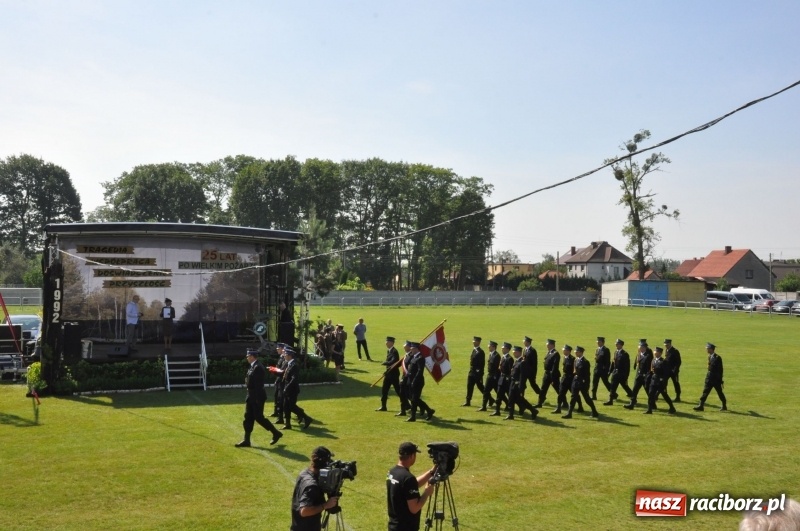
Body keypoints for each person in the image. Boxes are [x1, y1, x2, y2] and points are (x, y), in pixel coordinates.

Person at [235, 348, 283, 447]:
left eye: (248, 356)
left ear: (252, 357)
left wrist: (257, 399)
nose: (247, 358)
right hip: (250, 396)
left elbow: (258, 385)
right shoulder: (252, 366)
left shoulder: (258, 367)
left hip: (257, 397)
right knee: (248, 417)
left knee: (259, 418)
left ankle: (276, 433)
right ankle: (246, 440)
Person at [386, 441, 435, 531]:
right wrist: (426, 493)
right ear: (412, 456)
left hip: (393, 526)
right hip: (406, 528)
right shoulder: (408, 478)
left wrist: (431, 472)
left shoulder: (392, 472)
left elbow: (409, 486)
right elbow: (414, 508)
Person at [291, 446, 340, 531]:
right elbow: (304, 511)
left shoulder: (304, 473)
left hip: (298, 526)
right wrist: (326, 505)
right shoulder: (312, 486)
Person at [281, 347, 314, 430]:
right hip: (287, 388)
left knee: (292, 406)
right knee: (285, 406)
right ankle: (287, 424)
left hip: (292, 390)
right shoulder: (289, 364)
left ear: (289, 356)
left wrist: (287, 388)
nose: (284, 355)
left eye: (285, 354)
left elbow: (294, 379)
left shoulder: (294, 365)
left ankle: (307, 418)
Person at [562, 346, 599, 418]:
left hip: (583, 383)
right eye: (575, 352)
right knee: (573, 397)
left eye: (577, 352)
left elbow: (587, 375)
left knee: (587, 398)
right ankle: (569, 413)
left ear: (581, 352)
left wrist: (586, 384)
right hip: (576, 381)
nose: (576, 353)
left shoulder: (585, 362)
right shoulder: (576, 360)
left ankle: (594, 411)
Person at [505, 346, 538, 420]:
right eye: (513, 351)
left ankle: (533, 410)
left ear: (519, 352)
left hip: (517, 385)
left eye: (515, 352)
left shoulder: (522, 362)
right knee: (511, 399)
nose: (513, 353)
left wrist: (521, 387)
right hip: (513, 383)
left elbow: (522, 376)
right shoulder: (516, 361)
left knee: (521, 399)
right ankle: (511, 414)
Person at [405, 342, 435, 422]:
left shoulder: (421, 358)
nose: (411, 350)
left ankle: (413, 416)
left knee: (415, 400)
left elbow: (420, 371)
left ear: (416, 349)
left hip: (417, 382)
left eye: (412, 349)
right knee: (414, 399)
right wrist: (409, 356)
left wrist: (414, 381)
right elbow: (407, 363)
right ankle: (429, 410)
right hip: (410, 380)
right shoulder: (413, 356)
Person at [694, 342, 727, 412]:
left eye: (708, 349)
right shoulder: (709, 356)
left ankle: (724, 405)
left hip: (715, 379)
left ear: (711, 349)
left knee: (720, 392)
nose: (706, 350)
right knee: (705, 392)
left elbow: (720, 370)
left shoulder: (717, 358)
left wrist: (720, 380)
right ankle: (701, 405)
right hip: (709, 378)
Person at [646, 347, 676, 414]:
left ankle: (672, 407)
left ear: (660, 353)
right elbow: (651, 371)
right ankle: (649, 409)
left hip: (660, 381)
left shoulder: (664, 362)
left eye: (656, 352)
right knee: (650, 394)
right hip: (653, 380)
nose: (655, 354)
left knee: (664, 395)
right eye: (654, 352)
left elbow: (666, 373)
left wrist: (664, 382)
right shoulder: (653, 360)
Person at [624, 339, 653, 410]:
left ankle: (653, 404)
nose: (640, 348)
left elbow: (650, 367)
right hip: (639, 375)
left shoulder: (648, 356)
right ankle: (632, 404)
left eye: (641, 347)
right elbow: (637, 362)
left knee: (648, 391)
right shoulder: (640, 354)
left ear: (645, 347)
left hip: (645, 376)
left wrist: (647, 376)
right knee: (635, 390)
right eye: (639, 346)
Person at [377, 336, 404, 412]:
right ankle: (383, 406)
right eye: (386, 341)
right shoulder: (389, 351)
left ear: (392, 343)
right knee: (384, 390)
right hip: (388, 374)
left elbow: (394, 361)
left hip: (394, 375)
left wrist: (385, 363)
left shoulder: (394, 351)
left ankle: (406, 404)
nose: (386, 343)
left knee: (398, 391)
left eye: (388, 342)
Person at [604, 339, 633, 405]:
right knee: (612, 387)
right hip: (615, 373)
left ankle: (633, 398)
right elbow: (613, 363)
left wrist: (626, 376)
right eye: (616, 344)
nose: (616, 345)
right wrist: (609, 372)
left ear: (621, 345)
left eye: (617, 344)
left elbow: (627, 367)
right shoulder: (616, 352)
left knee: (625, 387)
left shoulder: (625, 354)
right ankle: (610, 400)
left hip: (621, 374)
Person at [554, 344, 581, 414]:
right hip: (565, 378)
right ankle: (558, 408)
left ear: (568, 351)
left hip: (571, 379)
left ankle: (580, 406)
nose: (563, 351)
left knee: (574, 394)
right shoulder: (565, 357)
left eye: (564, 350)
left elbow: (574, 370)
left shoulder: (573, 359)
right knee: (561, 393)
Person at [534, 339, 560, 408]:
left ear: (552, 345)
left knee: (558, 389)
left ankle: (564, 402)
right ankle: (539, 403)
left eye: (548, 345)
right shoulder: (549, 352)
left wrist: (553, 378)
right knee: (543, 389)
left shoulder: (556, 354)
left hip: (553, 374)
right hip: (547, 373)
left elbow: (555, 366)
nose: (547, 346)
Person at [490, 342, 514, 416]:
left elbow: (511, 371)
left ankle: (516, 408)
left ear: (507, 349)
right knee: (499, 396)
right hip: (501, 379)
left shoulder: (509, 359)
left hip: (506, 380)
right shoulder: (503, 357)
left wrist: (508, 379)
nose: (502, 349)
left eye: (503, 348)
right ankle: (497, 411)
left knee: (511, 396)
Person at [462, 336, 486, 407]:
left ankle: (489, 398)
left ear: (478, 342)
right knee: (469, 386)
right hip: (471, 372)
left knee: (480, 387)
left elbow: (482, 364)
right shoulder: (474, 350)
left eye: (475, 341)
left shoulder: (481, 352)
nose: (473, 342)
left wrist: (480, 374)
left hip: (477, 373)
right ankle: (468, 401)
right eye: (473, 341)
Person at [479, 340, 500, 411]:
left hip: (493, 376)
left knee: (498, 392)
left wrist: (495, 377)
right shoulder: (491, 354)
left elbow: (497, 367)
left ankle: (507, 404)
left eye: (490, 346)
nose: (488, 347)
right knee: (486, 391)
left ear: (493, 347)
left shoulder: (496, 356)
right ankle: (484, 406)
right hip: (490, 375)